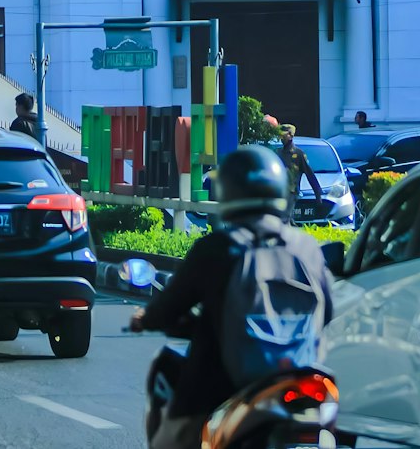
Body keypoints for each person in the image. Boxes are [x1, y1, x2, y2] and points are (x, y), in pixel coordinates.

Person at [130, 144, 333, 449]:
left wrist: (146, 318)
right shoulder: (306, 249)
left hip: (224, 384)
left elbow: (169, 307)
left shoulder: (217, 248)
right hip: (300, 382)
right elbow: (328, 310)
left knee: (171, 441)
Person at [278, 125, 323, 210]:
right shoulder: (278, 153)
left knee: (287, 218)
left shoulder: (299, 154)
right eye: (280, 135)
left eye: (284, 135)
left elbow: (310, 174)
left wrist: (318, 194)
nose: (281, 138)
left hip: (292, 193)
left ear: (291, 136)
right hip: (279, 193)